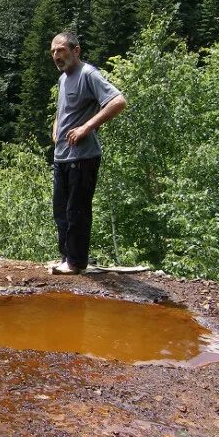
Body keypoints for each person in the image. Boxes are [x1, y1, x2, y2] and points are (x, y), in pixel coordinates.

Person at [49, 32, 126, 275]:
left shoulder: (88, 74)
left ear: (76, 50)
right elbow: (62, 112)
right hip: (62, 156)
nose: (56, 56)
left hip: (83, 157)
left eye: (61, 50)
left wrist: (86, 127)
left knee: (77, 211)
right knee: (60, 210)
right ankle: (66, 258)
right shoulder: (63, 79)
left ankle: (75, 263)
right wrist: (56, 128)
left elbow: (118, 101)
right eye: (53, 52)